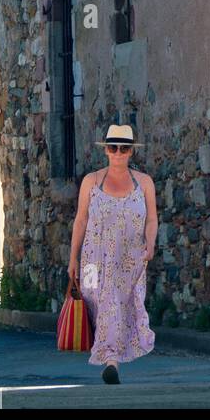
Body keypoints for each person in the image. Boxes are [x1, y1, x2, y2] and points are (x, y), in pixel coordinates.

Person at [68, 123, 157, 384]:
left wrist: (150, 243)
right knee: (103, 303)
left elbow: (152, 219)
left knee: (117, 305)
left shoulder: (144, 183)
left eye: (123, 148)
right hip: (93, 260)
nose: (118, 153)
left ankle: (111, 360)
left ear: (131, 152)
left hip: (130, 259)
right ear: (106, 151)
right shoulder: (91, 181)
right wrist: (72, 258)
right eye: (113, 147)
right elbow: (80, 220)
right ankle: (111, 355)